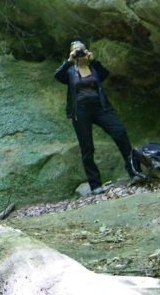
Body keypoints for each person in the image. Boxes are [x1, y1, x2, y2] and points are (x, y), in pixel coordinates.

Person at [54, 41, 144, 194]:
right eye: (76, 51)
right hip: (80, 111)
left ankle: (135, 172)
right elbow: (57, 76)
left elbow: (104, 74)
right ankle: (95, 185)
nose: (79, 53)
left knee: (120, 132)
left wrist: (93, 60)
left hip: (100, 108)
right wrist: (69, 61)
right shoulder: (69, 70)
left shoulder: (93, 67)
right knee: (87, 146)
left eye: (81, 50)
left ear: (86, 51)